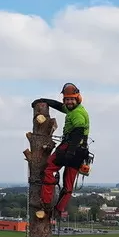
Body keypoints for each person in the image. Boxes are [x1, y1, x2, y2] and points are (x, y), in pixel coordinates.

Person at [32, 83, 90, 217]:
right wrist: (45, 101)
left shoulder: (77, 114)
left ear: (77, 98)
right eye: (67, 99)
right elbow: (60, 107)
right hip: (80, 152)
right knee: (68, 183)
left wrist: (69, 151)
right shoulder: (75, 109)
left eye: (71, 99)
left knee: (49, 169)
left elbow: (78, 133)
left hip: (69, 148)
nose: (69, 102)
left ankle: (46, 203)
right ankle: (59, 209)